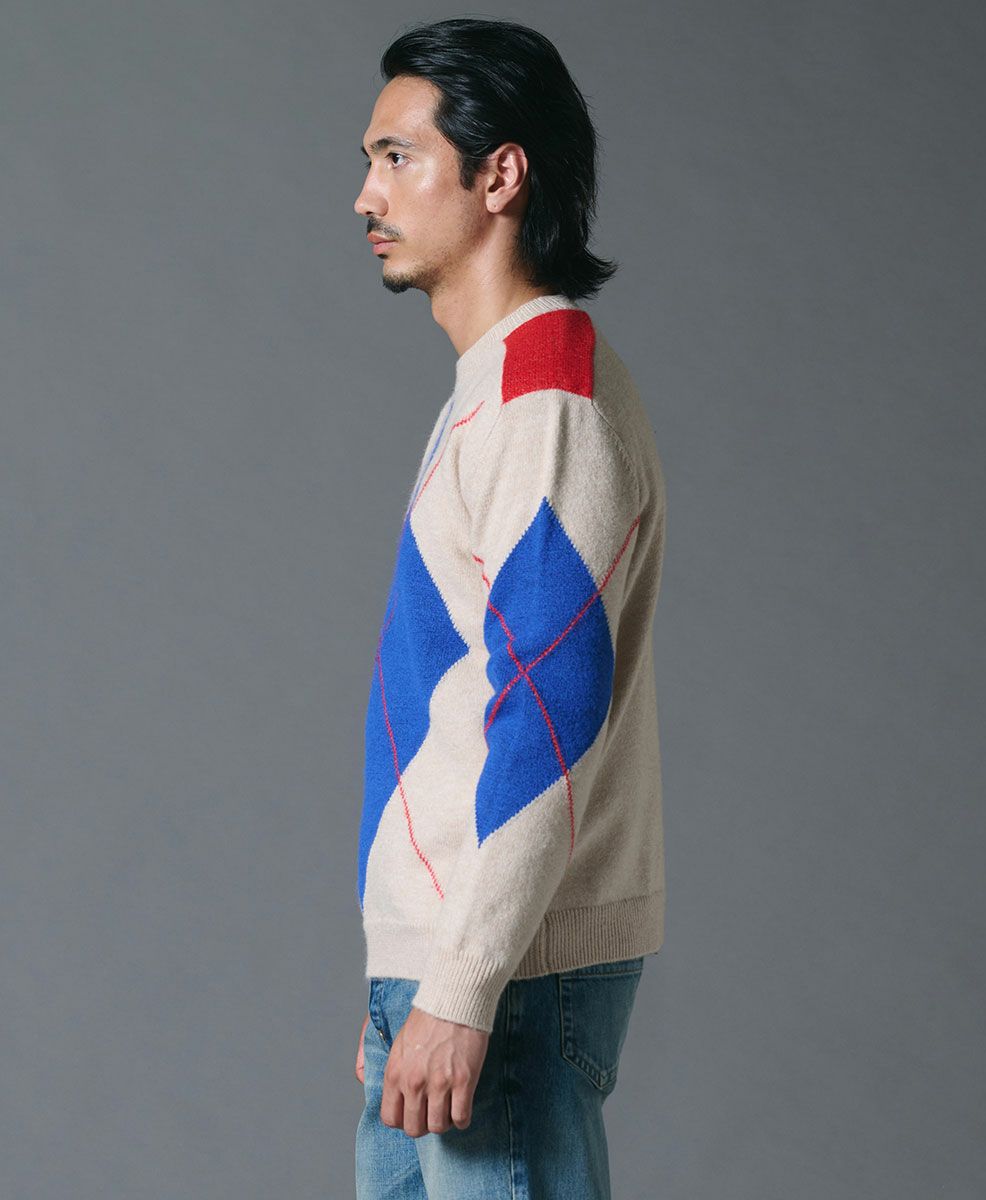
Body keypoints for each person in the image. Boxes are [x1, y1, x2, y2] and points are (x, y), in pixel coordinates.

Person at [351, 17, 667, 1199]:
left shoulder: (545, 402)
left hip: (504, 973)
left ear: (500, 175)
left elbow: (547, 718)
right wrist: (403, 978)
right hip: (443, 962)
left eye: (398, 158)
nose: (366, 195)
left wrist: (460, 988)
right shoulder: (493, 387)